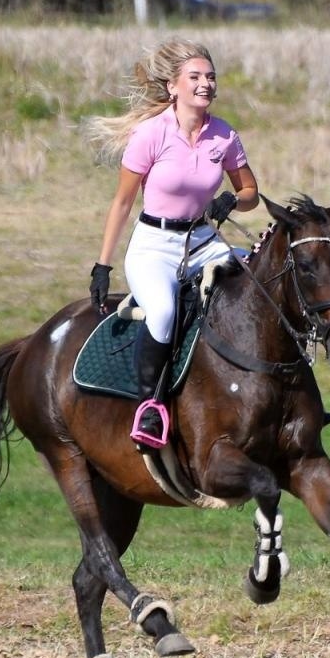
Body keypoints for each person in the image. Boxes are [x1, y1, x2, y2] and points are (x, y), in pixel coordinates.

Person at [87, 39, 259, 445]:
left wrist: (233, 198)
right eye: (196, 77)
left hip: (203, 241)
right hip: (154, 245)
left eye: (211, 77)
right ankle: (150, 408)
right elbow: (123, 202)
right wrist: (102, 265)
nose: (206, 84)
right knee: (162, 312)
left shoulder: (224, 136)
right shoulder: (150, 134)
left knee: (258, 287)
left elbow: (251, 190)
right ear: (173, 87)